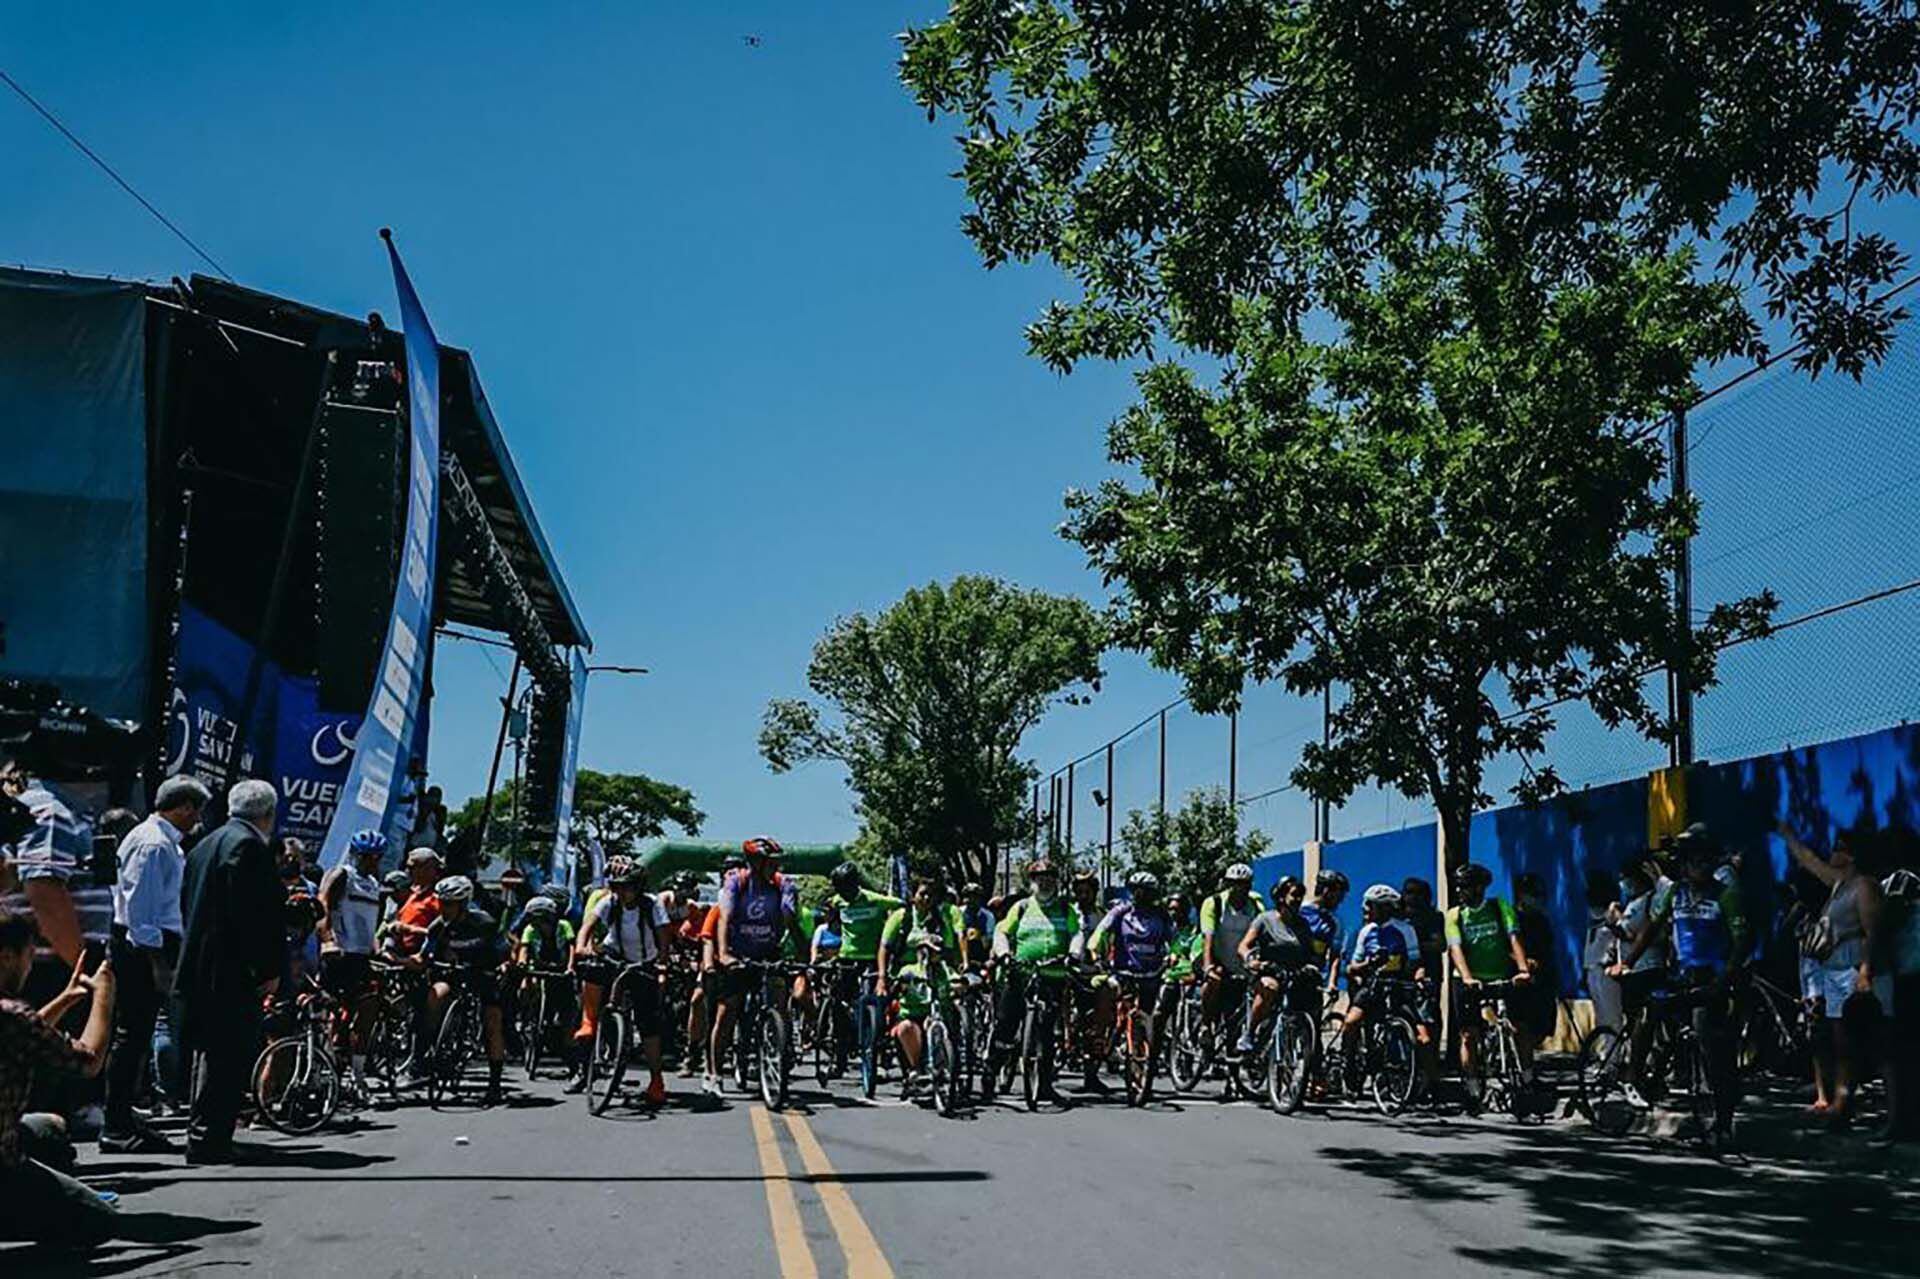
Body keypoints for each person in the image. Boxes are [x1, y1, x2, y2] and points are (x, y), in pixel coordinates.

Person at [1614, 825, 1748, 1150]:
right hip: (1682, 974)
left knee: (1710, 1045)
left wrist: (1725, 976)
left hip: (1714, 978)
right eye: (1690, 863)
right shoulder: (1676, 894)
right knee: (1650, 1011)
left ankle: (1723, 1121)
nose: (1695, 869)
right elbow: (1651, 928)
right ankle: (1641, 1079)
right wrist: (1627, 962)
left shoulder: (1726, 894)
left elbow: (1742, 941)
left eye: (1703, 862)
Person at [174, 778, 284, 1164]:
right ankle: (210, 1138)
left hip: (199, 963)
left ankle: (204, 1132)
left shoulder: (205, 844)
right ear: (268, 814)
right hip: (231, 970)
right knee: (230, 1055)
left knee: (212, 1052)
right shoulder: (249, 847)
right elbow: (253, 917)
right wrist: (267, 968)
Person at [99, 774, 208, 1154]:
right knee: (131, 1037)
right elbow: (140, 914)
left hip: (153, 945)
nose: (198, 817)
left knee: (140, 1035)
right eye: (196, 808)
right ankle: (115, 1125)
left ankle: (126, 1117)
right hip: (142, 948)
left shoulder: (166, 844)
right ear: (182, 807)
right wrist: (158, 963)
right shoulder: (153, 844)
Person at [0, 910, 119, 1249]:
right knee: (98, 1220)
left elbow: (25, 1032)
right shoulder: (12, 1015)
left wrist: (65, 1000)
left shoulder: (14, 1020)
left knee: (47, 1127)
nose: (30, 967)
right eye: (28, 957)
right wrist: (104, 997)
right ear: (7, 957)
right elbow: (89, 1061)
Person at [1780, 820, 1887, 1127]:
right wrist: (1788, 835)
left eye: (1838, 847)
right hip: (1834, 969)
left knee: (1860, 1039)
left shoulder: (1864, 886)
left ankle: (1852, 1102)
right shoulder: (1840, 884)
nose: (1831, 852)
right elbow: (1810, 863)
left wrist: (1865, 971)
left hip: (1853, 968)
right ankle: (1842, 1100)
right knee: (1840, 1040)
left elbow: (1872, 932)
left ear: (1850, 854)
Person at [571, 856, 671, 1105]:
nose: (620, 892)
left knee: (649, 1024)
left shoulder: (652, 905)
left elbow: (663, 937)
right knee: (592, 970)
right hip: (614, 955)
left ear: (638, 886)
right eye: (616, 886)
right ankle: (589, 1021)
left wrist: (662, 963)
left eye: (626, 886)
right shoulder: (609, 902)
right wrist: (582, 946)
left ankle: (656, 1080)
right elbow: (587, 927)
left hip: (643, 961)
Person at [707, 838, 801, 1098]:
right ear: (755, 863)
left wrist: (805, 960)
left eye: (777, 862)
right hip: (738, 953)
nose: (776, 867)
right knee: (727, 1012)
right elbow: (724, 919)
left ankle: (780, 1044)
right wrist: (724, 954)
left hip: (768, 953)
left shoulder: (781, 884)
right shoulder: (737, 881)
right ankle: (713, 1073)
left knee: (779, 999)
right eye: (770, 862)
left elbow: (792, 926)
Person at [988, 859, 1085, 1102]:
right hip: (1020, 973)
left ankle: (1044, 1085)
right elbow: (1002, 931)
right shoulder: (1021, 907)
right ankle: (990, 1073)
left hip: (1052, 977)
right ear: (1032, 881)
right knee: (1005, 1026)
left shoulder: (1066, 909)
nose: (1045, 882)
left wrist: (1074, 954)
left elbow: (1077, 933)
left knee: (1047, 1032)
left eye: (1050, 877)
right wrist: (1003, 954)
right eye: (1040, 878)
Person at [1444, 861, 1534, 1099]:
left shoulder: (1499, 906)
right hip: (1468, 980)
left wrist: (1523, 970)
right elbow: (1455, 949)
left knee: (1520, 1026)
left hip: (1503, 975)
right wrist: (1467, 978)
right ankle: (1472, 1082)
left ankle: (1527, 1075)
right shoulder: (1454, 915)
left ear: (1479, 888)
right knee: (1469, 1034)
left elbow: (1514, 936)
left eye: (1464, 887)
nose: (1459, 891)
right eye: (1458, 887)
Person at [420, 875, 510, 1105]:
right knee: (435, 995)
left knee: (493, 1020)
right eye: (441, 902)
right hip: (453, 975)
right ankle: (431, 1048)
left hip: (483, 974)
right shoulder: (438, 926)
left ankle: (495, 1082)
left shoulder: (484, 923)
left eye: (448, 903)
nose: (443, 908)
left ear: (462, 904)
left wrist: (503, 965)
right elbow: (425, 955)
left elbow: (503, 950)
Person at [1085, 870, 1177, 1086]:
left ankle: (1145, 1061)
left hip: (1151, 974)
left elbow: (1175, 940)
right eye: (1137, 890)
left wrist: (1174, 953)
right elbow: (1101, 932)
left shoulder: (1161, 916)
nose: (1141, 895)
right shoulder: (1120, 912)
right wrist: (1094, 951)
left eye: (1146, 891)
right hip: (1123, 973)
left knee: (1148, 1018)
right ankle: (1101, 1048)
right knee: (1108, 1004)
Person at [1, 752, 91, 968]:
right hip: (53, 965)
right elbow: (46, 897)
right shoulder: (50, 810)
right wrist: (86, 976)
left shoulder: (32, 803)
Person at [316, 829, 388, 1098]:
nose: (372, 861)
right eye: (368, 856)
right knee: (332, 1014)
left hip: (362, 955)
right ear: (356, 854)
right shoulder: (341, 874)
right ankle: (326, 1071)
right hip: (340, 953)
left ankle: (357, 1074)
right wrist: (327, 938)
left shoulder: (373, 883)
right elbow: (322, 903)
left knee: (368, 1009)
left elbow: (374, 921)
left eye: (377, 857)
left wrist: (377, 948)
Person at [877, 878, 965, 1081]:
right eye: (922, 893)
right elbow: (884, 947)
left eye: (930, 895)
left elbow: (955, 963)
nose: (926, 898)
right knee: (902, 1024)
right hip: (906, 978)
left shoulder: (943, 917)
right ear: (913, 896)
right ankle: (908, 1066)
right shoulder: (902, 917)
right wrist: (883, 978)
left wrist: (962, 979)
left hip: (936, 988)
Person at [1335, 884, 1415, 1081]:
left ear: (1385, 907)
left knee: (1420, 1035)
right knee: (1352, 1022)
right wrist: (1367, 965)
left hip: (1397, 987)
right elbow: (1352, 967)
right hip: (1372, 986)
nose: (1365, 909)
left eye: (1370, 905)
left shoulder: (1405, 930)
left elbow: (1415, 961)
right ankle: (1349, 1063)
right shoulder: (1366, 931)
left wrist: (1418, 979)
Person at [1236, 875, 1318, 1053]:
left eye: (1300, 896)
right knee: (1270, 987)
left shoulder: (1302, 924)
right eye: (1294, 895)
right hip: (1269, 972)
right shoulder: (1265, 920)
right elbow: (1244, 946)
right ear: (1281, 897)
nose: (1298, 900)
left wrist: (1312, 965)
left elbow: (1311, 952)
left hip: (1293, 975)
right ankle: (1249, 1034)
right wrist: (1251, 961)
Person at [1878, 865, 1920, 1146]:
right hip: (1902, 984)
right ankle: (1900, 1121)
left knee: (1902, 1057)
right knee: (1900, 1057)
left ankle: (1901, 1122)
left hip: (1909, 983)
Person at [1198, 863, 1265, 1032]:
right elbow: (1208, 937)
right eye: (1234, 884)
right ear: (1227, 884)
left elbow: (1264, 931)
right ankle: (1206, 1025)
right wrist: (1208, 966)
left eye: (1243, 884)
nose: (1238, 889)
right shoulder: (1214, 903)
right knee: (1215, 979)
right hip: (1215, 956)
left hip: (1240, 961)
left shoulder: (1255, 904)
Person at [1511, 873, 1563, 1048]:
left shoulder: (1541, 920)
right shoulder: (1511, 919)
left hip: (1542, 979)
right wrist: (1523, 962)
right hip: (1518, 978)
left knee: (1543, 1026)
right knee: (1522, 1023)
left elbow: (1548, 948)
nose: (1537, 899)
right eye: (1533, 894)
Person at [1583, 868, 1625, 1032]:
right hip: (1592, 969)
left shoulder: (1613, 913)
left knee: (1612, 1016)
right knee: (1600, 1017)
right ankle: (1605, 1053)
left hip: (1606, 969)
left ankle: (1615, 1056)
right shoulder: (1593, 916)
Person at [1299, 870, 1350, 989]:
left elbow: (1335, 955)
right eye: (1339, 895)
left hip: (1315, 979)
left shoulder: (1335, 922)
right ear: (1326, 891)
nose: (1340, 901)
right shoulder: (1300, 911)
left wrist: (1332, 983)